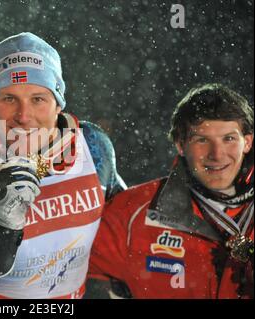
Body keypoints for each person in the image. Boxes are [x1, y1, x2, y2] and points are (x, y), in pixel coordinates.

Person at [0, 32, 126, 299]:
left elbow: (125, 233)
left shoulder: (93, 146)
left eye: (38, 99)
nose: (23, 116)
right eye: (9, 98)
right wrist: (0, 230)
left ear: (58, 103)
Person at [88, 83, 254, 299]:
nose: (217, 154)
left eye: (229, 138)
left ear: (248, 142)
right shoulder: (132, 212)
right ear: (180, 144)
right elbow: (66, 274)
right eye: (202, 140)